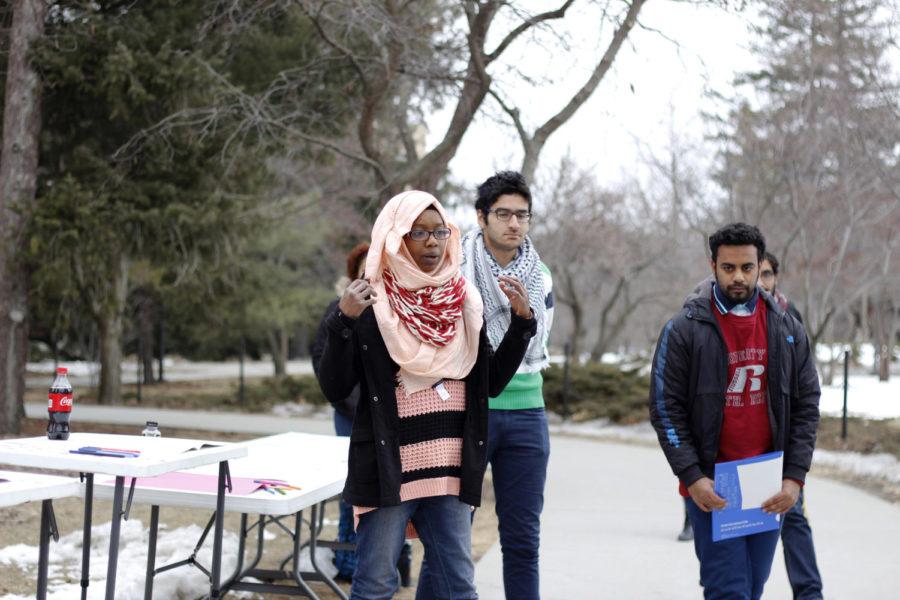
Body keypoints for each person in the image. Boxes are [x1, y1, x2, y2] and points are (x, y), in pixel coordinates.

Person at [317, 190, 536, 600]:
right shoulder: (370, 302)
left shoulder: (462, 301)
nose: (433, 242)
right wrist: (342, 321)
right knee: (376, 585)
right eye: (420, 233)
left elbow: (488, 383)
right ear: (397, 238)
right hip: (389, 472)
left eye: (440, 232)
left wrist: (523, 324)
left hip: (450, 470)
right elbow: (334, 386)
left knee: (459, 587)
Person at [649, 223, 820, 600]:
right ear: (713, 266)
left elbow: (807, 405)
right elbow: (665, 408)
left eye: (747, 267)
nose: (738, 276)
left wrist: (794, 479)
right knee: (728, 591)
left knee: (752, 586)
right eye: (729, 268)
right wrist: (693, 477)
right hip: (713, 487)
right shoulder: (683, 330)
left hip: (767, 486)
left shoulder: (787, 328)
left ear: (761, 267)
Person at [459, 170, 556, 599]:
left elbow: (536, 341)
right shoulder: (454, 269)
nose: (514, 223)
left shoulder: (541, 277)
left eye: (522, 215)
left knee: (522, 538)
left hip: (526, 414)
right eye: (503, 214)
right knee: (450, 537)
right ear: (481, 217)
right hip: (467, 411)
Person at [313, 242, 416, 584]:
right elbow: (325, 362)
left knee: (400, 489)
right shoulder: (340, 309)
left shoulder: (399, 309)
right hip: (351, 415)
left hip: (394, 417)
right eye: (362, 272)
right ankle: (347, 560)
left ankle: (399, 561)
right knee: (354, 488)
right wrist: (356, 404)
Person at [759, 251, 824, 600]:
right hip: (744, 444)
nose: (761, 282)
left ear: (775, 277)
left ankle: (809, 592)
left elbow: (805, 386)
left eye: (767, 274)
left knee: (794, 517)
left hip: (782, 445)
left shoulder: (789, 317)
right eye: (758, 274)